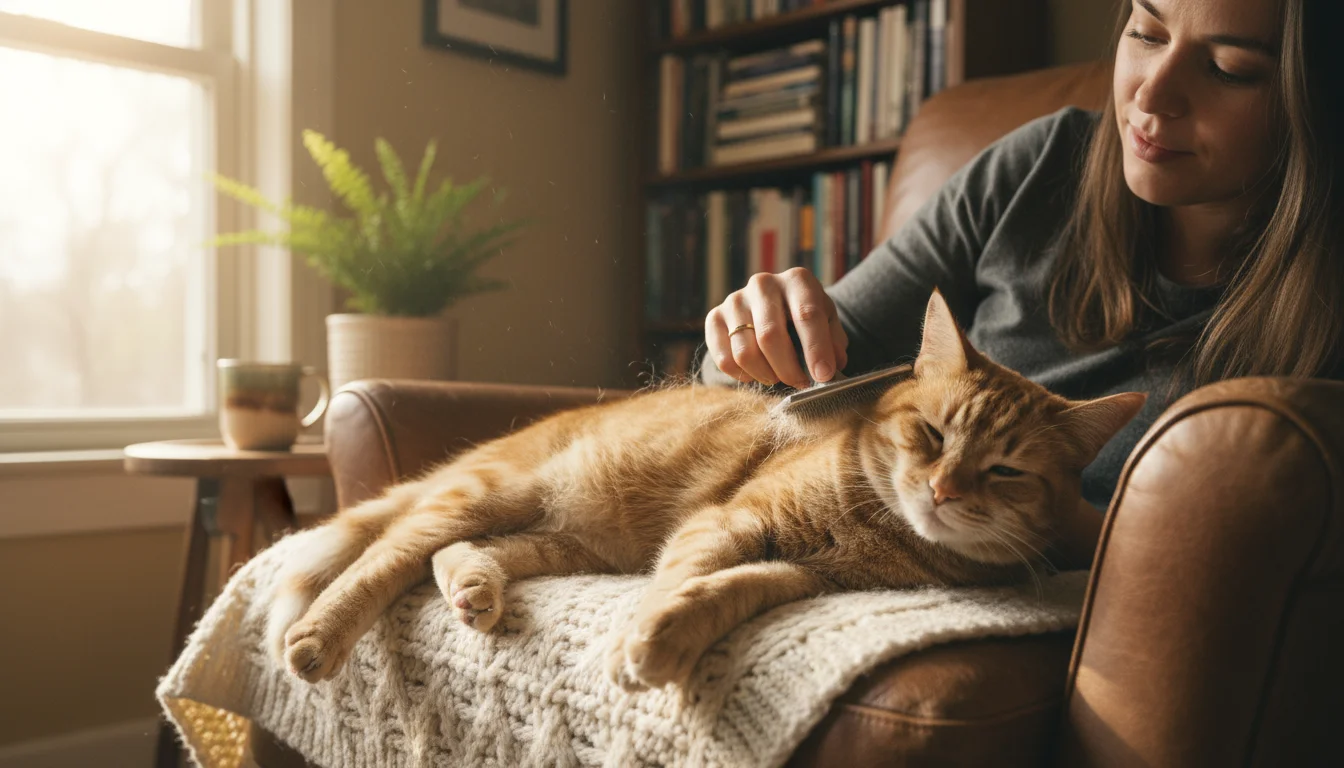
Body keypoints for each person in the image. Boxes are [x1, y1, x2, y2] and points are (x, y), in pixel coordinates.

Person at [699, 0, 1344, 566]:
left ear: (1317, 97)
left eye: (1228, 69)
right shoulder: (1040, 167)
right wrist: (753, 338)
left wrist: (1058, 526)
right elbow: (775, 385)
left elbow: (1249, 590)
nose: (1152, 96)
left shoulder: (1322, 321)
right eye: (1147, 32)